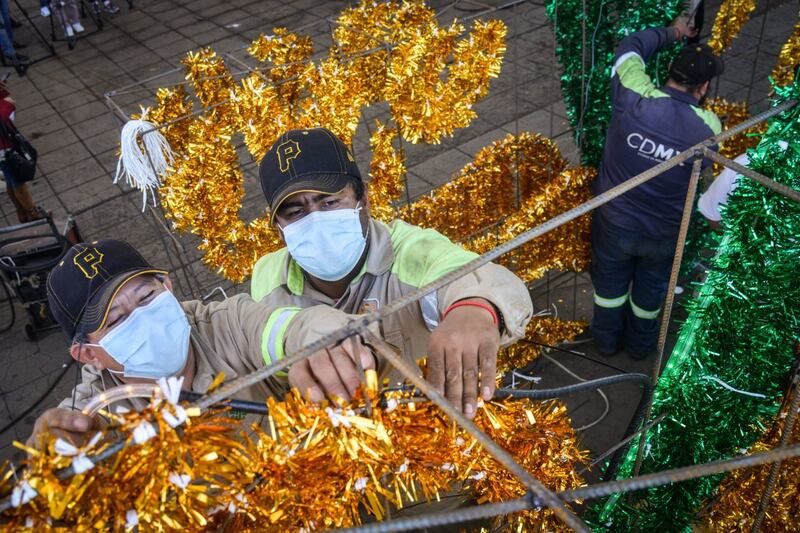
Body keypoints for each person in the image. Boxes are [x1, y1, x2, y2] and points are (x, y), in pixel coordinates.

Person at [251, 127, 533, 419]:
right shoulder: (268, 277)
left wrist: (474, 309)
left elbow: (479, 277)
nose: (316, 220)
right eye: (296, 212)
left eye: (330, 202)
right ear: (279, 228)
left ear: (365, 200)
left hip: (425, 434)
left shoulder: (411, 252)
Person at [26, 239, 374, 448]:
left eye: (146, 295)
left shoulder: (224, 323)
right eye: (116, 319)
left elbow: (292, 327)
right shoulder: (91, 414)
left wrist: (327, 341)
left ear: (168, 286)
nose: (142, 318)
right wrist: (52, 457)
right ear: (87, 354)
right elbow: (54, 460)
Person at [588, 17, 723, 359]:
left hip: (614, 221)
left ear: (671, 73)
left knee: (608, 289)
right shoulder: (708, 127)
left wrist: (675, 32)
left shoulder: (634, 96)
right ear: (704, 87)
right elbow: (702, 166)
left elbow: (629, 49)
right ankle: (641, 350)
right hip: (664, 233)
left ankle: (604, 344)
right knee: (649, 296)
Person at [0, 80, 44, 223]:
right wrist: (7, 103)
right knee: (17, 181)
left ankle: (23, 213)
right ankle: (32, 213)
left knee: (11, 180)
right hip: (2, 148)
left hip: (4, 143)